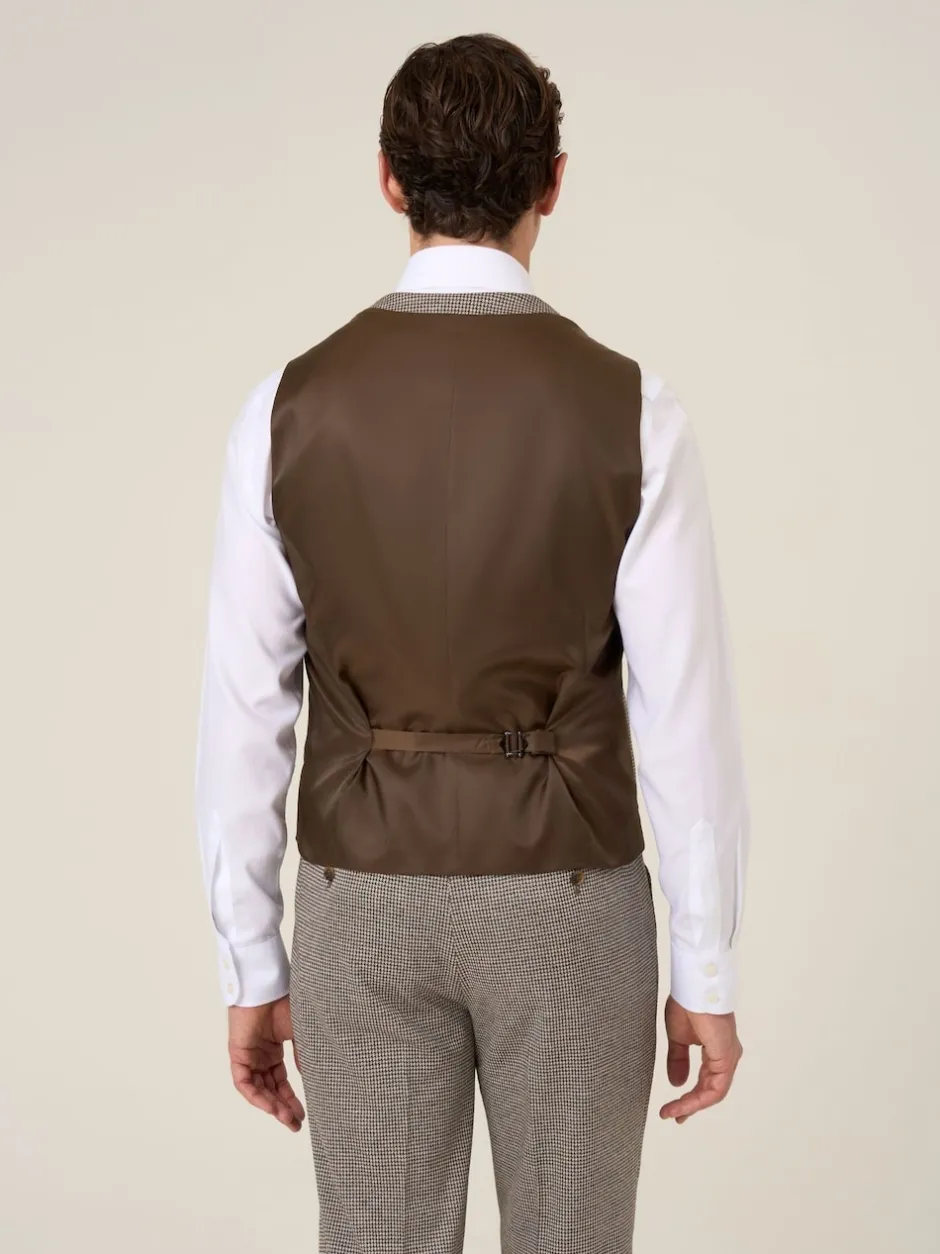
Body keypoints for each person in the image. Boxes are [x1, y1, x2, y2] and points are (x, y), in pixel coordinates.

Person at [195, 31, 749, 1254]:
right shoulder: (633, 411)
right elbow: (683, 718)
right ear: (553, 181)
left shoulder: (284, 409)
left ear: (388, 179)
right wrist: (703, 971)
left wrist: (251, 962)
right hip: (568, 901)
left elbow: (245, 710)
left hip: (358, 903)